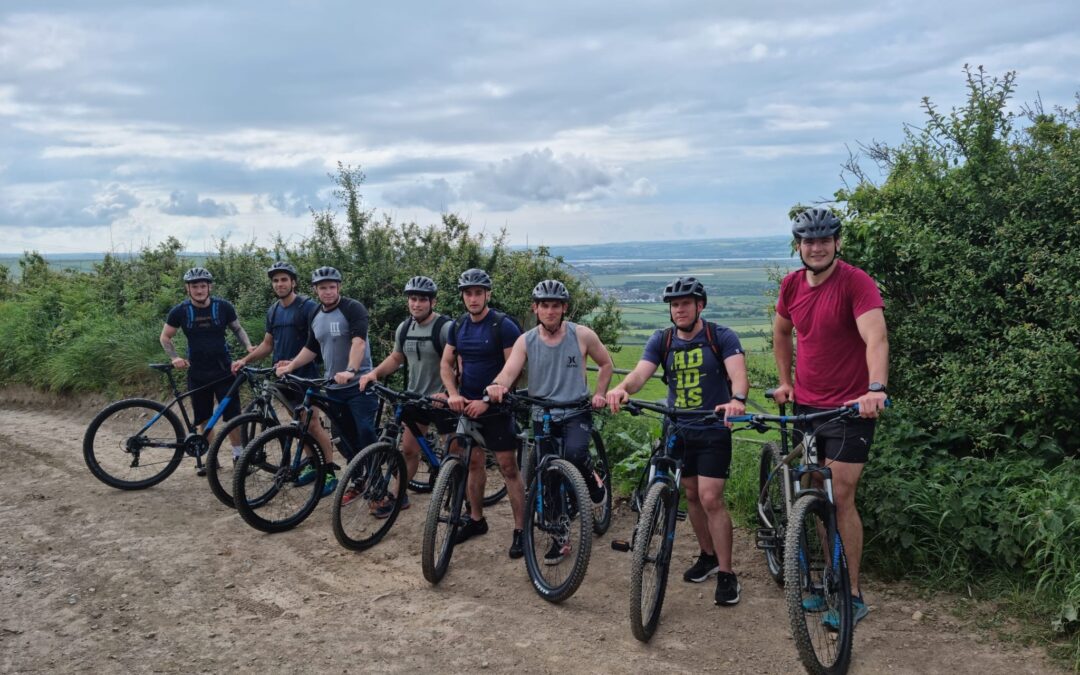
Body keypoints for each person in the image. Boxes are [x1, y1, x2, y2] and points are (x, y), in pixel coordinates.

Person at [772, 206, 888, 627]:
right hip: (807, 406)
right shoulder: (791, 286)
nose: (816, 247)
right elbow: (782, 332)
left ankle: (853, 595)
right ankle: (829, 585)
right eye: (808, 241)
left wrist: (875, 389)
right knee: (815, 495)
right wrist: (785, 381)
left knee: (840, 495)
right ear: (799, 246)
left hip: (851, 407)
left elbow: (875, 336)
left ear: (837, 243)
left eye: (824, 240)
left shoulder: (855, 282)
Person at [606, 276, 749, 606]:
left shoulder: (721, 337)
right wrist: (621, 389)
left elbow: (738, 374)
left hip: (713, 428)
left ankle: (727, 574)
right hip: (678, 429)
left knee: (710, 497)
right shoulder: (663, 340)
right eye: (674, 304)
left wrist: (737, 398)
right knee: (691, 495)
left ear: (700, 305)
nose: (679, 309)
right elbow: (640, 374)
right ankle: (708, 555)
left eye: (686, 303)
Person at [485, 279, 614, 564]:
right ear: (536, 308)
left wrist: (600, 393)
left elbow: (606, 364)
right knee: (546, 476)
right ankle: (560, 537)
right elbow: (509, 372)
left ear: (564, 308)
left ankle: (594, 484)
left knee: (575, 454)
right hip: (541, 412)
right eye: (545, 305)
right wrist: (497, 386)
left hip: (575, 410)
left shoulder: (582, 335)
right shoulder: (526, 340)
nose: (550, 311)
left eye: (556, 306)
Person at [440, 268, 527, 558]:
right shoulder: (458, 326)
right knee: (472, 463)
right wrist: (453, 394)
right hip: (467, 406)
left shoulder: (503, 325)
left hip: (496, 409)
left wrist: (488, 400)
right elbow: (446, 364)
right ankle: (476, 520)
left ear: (487, 294)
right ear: (463, 297)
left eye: (478, 292)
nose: (473, 298)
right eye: (468, 293)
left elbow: (512, 371)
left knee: (508, 468)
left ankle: (520, 530)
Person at [275, 266, 379, 496]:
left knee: (365, 432)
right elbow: (312, 347)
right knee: (344, 440)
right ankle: (361, 477)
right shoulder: (315, 314)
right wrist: (290, 366)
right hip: (333, 387)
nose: (328, 291)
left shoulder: (353, 308)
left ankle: (380, 484)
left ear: (339, 287)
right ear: (315, 290)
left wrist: (351, 370)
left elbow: (359, 342)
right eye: (323, 288)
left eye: (332, 287)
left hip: (359, 384)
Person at [358, 275, 455, 514]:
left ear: (432, 302)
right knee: (409, 450)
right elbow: (396, 358)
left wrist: (449, 393)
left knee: (454, 455)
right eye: (413, 299)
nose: (417, 304)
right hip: (415, 397)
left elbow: (459, 365)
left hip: (443, 399)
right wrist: (374, 374)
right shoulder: (405, 328)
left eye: (423, 299)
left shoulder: (445, 327)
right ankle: (400, 494)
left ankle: (456, 494)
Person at [231, 261, 332, 462]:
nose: (280, 284)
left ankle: (329, 470)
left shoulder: (308, 307)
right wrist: (244, 359)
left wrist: (293, 361)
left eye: (284, 279)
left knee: (311, 424)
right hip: (283, 376)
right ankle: (313, 465)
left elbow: (319, 344)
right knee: (297, 424)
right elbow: (268, 344)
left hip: (305, 375)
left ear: (293, 283)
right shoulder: (274, 310)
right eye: (275, 281)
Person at [160, 267, 256, 474]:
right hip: (197, 372)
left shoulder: (223, 307)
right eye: (195, 286)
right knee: (204, 417)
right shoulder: (180, 311)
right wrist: (175, 357)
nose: (199, 290)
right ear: (188, 289)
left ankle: (238, 455)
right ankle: (210, 458)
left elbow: (237, 328)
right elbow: (165, 336)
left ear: (209, 287)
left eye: (203, 285)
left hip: (224, 370)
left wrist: (248, 347)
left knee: (232, 415)